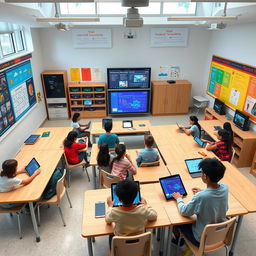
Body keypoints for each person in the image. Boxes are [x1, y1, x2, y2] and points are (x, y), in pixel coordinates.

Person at [172, 158, 228, 247]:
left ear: (205, 176)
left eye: (201, 172)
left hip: (201, 239)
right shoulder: (225, 188)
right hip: (220, 235)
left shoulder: (201, 197)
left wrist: (179, 199)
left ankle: (179, 240)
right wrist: (202, 191)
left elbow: (184, 211)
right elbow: (213, 193)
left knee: (177, 222)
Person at [106, 179, 157, 247]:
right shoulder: (143, 209)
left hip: (121, 248)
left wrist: (109, 207)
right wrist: (146, 205)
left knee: (111, 235)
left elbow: (107, 220)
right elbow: (154, 216)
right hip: (139, 247)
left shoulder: (114, 212)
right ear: (136, 196)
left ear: (120, 199)